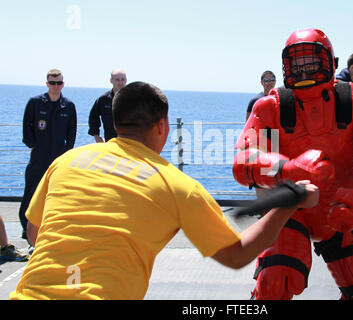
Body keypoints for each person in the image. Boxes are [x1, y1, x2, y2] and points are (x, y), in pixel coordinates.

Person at [10, 81, 319, 300]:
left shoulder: (67, 161)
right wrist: (290, 200)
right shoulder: (178, 187)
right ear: (162, 126)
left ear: (116, 124)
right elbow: (237, 255)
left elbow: (35, 232)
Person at [233, 29, 353, 300]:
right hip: (289, 212)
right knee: (274, 284)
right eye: (297, 66)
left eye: (311, 63)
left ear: (330, 63)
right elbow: (244, 161)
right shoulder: (270, 108)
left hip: (341, 212)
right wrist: (286, 168)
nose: (304, 72)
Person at [18, 69, 77, 240]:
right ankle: (27, 234)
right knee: (31, 195)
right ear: (47, 84)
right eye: (52, 82)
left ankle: (53, 231)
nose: (56, 86)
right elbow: (26, 127)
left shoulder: (68, 105)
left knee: (58, 194)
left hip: (59, 159)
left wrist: (67, 152)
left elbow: (71, 130)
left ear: (63, 84)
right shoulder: (35, 103)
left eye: (59, 83)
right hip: (39, 157)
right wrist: (33, 146)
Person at [88, 69, 127, 142]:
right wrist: (96, 136)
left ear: (126, 80)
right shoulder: (103, 99)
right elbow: (93, 117)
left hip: (131, 144)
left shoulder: (135, 99)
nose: (120, 83)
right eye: (117, 80)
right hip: (110, 142)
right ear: (111, 80)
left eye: (123, 79)